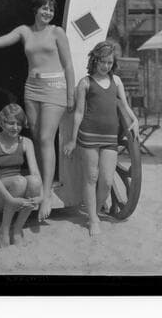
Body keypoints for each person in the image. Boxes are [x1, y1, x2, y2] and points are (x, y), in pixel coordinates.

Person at [0, 0, 75, 222]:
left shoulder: (57, 32)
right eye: (44, 8)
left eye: (51, 9)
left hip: (55, 88)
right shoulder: (24, 31)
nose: (48, 12)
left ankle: (47, 194)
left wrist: (70, 94)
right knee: (37, 138)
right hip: (32, 89)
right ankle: (40, 186)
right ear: (35, 9)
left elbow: (69, 65)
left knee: (45, 139)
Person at [63, 41, 139, 237]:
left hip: (109, 138)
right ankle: (94, 219)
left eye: (109, 62)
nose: (106, 66)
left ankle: (94, 212)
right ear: (95, 61)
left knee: (105, 179)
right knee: (91, 178)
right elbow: (79, 113)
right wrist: (72, 140)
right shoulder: (85, 83)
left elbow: (125, 105)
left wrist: (135, 120)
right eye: (102, 62)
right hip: (87, 136)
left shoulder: (117, 81)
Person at [0, 104, 43, 248]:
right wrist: (10, 199)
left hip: (17, 188)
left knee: (34, 181)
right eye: (11, 123)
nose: (15, 127)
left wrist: (41, 196)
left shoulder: (26, 142)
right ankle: (4, 230)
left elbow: (35, 172)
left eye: (19, 124)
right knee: (20, 181)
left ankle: (17, 230)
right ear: (2, 122)